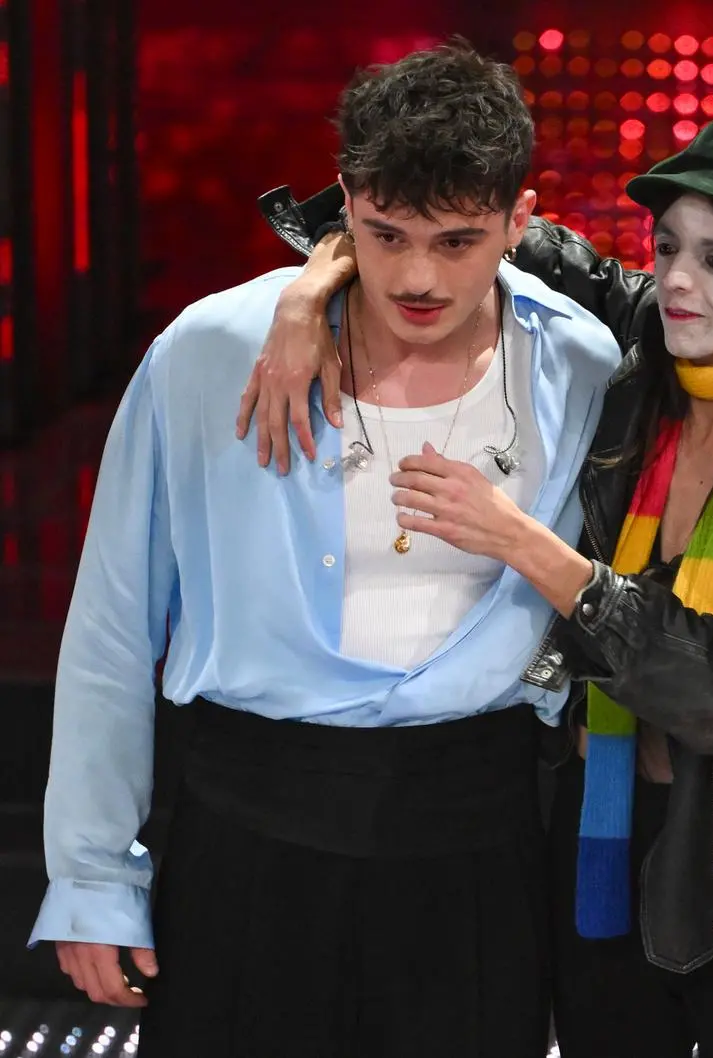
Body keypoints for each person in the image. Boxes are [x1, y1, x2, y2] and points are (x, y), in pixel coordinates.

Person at [237, 120, 713, 1057]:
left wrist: (529, 549)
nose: (676, 281)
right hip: (590, 833)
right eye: (667, 250)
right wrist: (308, 295)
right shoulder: (650, 351)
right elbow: (443, 220)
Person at [28, 43, 627, 1058]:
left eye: (458, 238)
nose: (418, 274)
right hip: (248, 825)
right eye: (385, 234)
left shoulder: (580, 358)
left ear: (523, 221)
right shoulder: (213, 349)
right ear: (345, 205)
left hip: (475, 832)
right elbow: (114, 624)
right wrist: (92, 873)